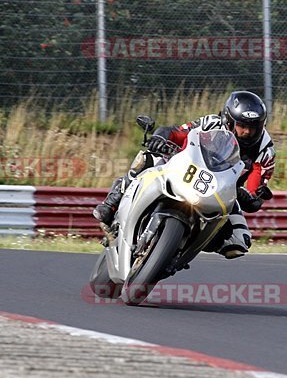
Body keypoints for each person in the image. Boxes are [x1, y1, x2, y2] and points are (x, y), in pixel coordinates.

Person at [93, 90, 276, 258]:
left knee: (239, 241)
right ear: (229, 120)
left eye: (253, 127)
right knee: (148, 158)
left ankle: (182, 249)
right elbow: (177, 133)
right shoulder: (211, 123)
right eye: (242, 126)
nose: (247, 132)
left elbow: (255, 187)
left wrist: (250, 197)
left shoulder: (265, 150)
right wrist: (160, 138)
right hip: (188, 168)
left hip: (224, 191)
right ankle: (111, 204)